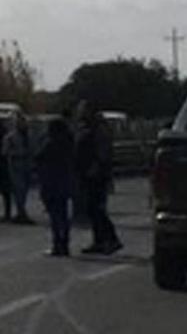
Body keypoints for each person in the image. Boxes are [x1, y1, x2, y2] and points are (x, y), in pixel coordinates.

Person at [75, 101, 124, 254]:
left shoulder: (99, 127)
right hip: (86, 172)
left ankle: (111, 239)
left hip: (96, 174)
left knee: (97, 209)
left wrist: (96, 167)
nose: (79, 112)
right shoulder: (87, 126)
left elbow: (103, 150)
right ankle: (99, 241)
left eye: (82, 109)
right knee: (91, 209)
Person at [34, 110, 78, 257]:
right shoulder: (69, 141)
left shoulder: (50, 143)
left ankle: (57, 244)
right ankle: (64, 243)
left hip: (51, 182)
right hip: (65, 181)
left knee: (55, 216)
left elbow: (39, 157)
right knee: (64, 214)